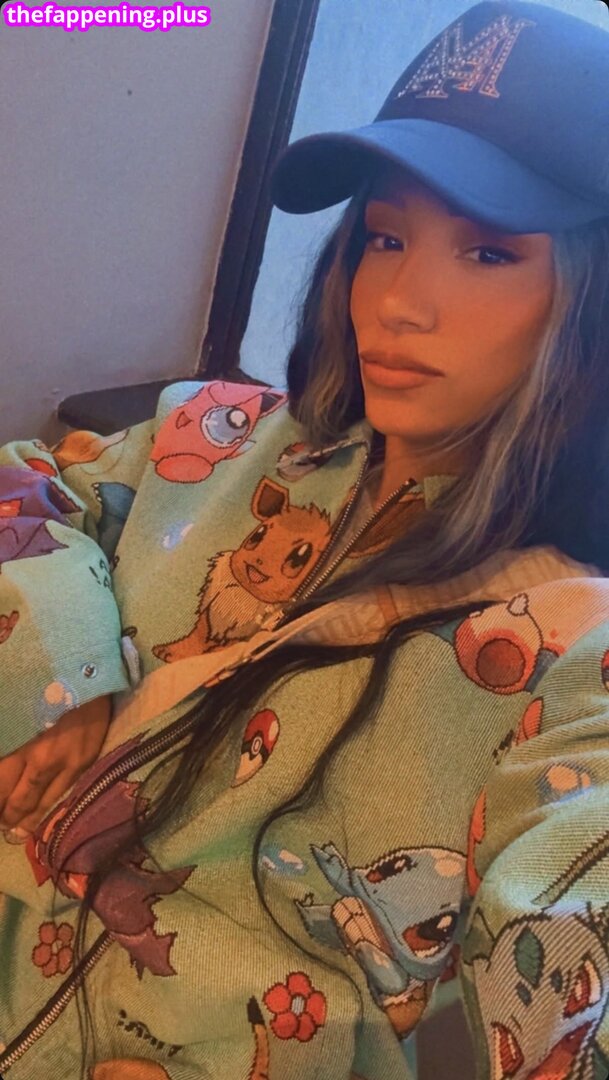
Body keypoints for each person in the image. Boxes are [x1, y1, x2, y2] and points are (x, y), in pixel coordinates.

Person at [1, 1, 609, 1077]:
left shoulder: (568, 651)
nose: (400, 303)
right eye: (384, 237)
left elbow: (571, 945)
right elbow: (27, 490)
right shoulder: (213, 436)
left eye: (487, 251)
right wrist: (66, 678)